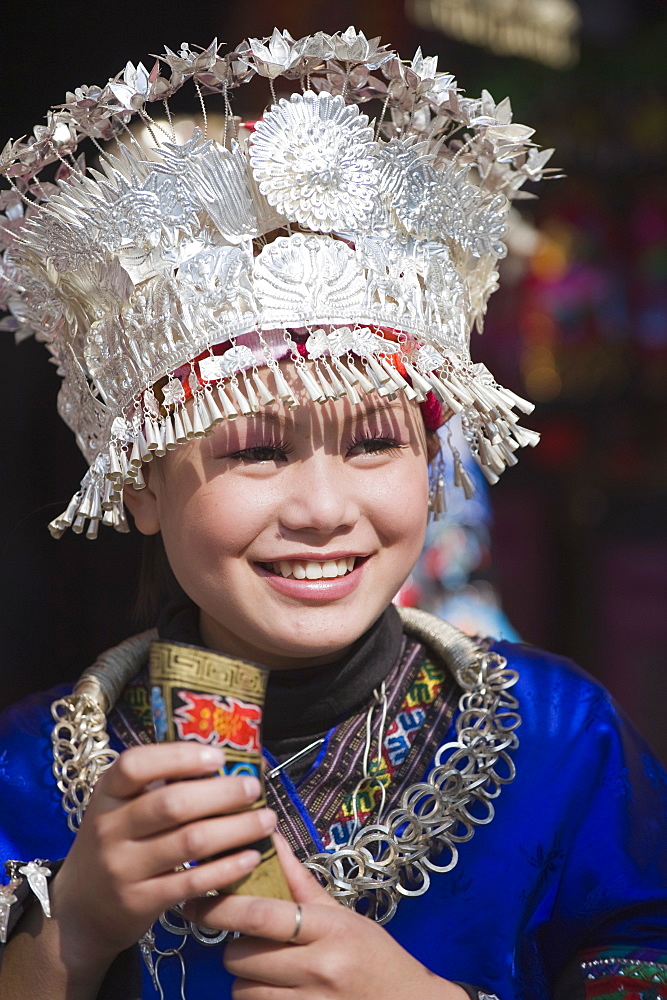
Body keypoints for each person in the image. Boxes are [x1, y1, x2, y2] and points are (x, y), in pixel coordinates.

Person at [0, 28, 666, 1000]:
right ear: (140, 483)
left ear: (433, 466)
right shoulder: (27, 773)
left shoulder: (562, 741)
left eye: (373, 442)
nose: (321, 508)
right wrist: (74, 930)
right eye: (255, 450)